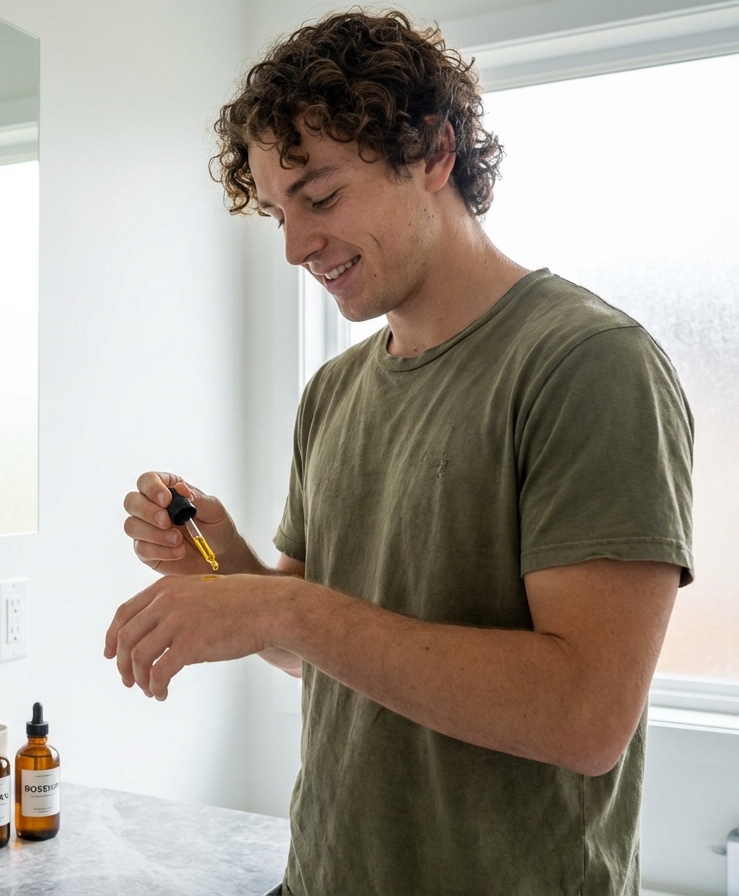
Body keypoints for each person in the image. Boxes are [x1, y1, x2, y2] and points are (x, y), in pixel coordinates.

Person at [105, 11, 692, 894]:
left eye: (322, 196)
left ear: (434, 153)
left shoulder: (588, 365)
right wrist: (231, 572)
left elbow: (586, 718)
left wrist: (280, 609)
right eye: (277, 214)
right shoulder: (334, 392)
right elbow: (323, 654)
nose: (298, 247)